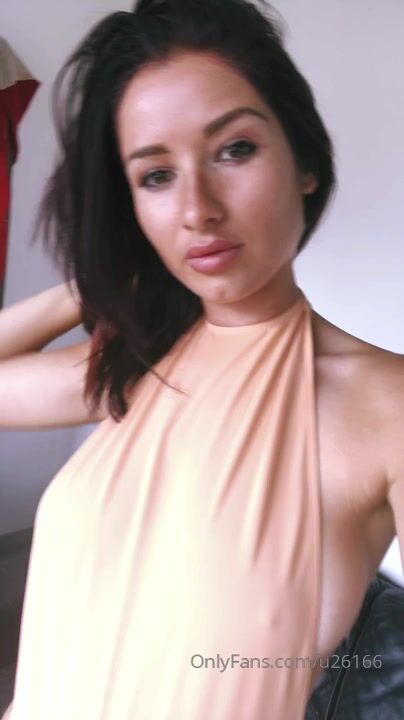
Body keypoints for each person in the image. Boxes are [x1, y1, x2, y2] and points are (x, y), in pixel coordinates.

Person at [1, 0, 403, 718]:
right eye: (155, 176)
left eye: (235, 149)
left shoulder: (389, 407)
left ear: (306, 162)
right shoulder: (136, 365)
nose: (197, 209)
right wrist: (90, 286)